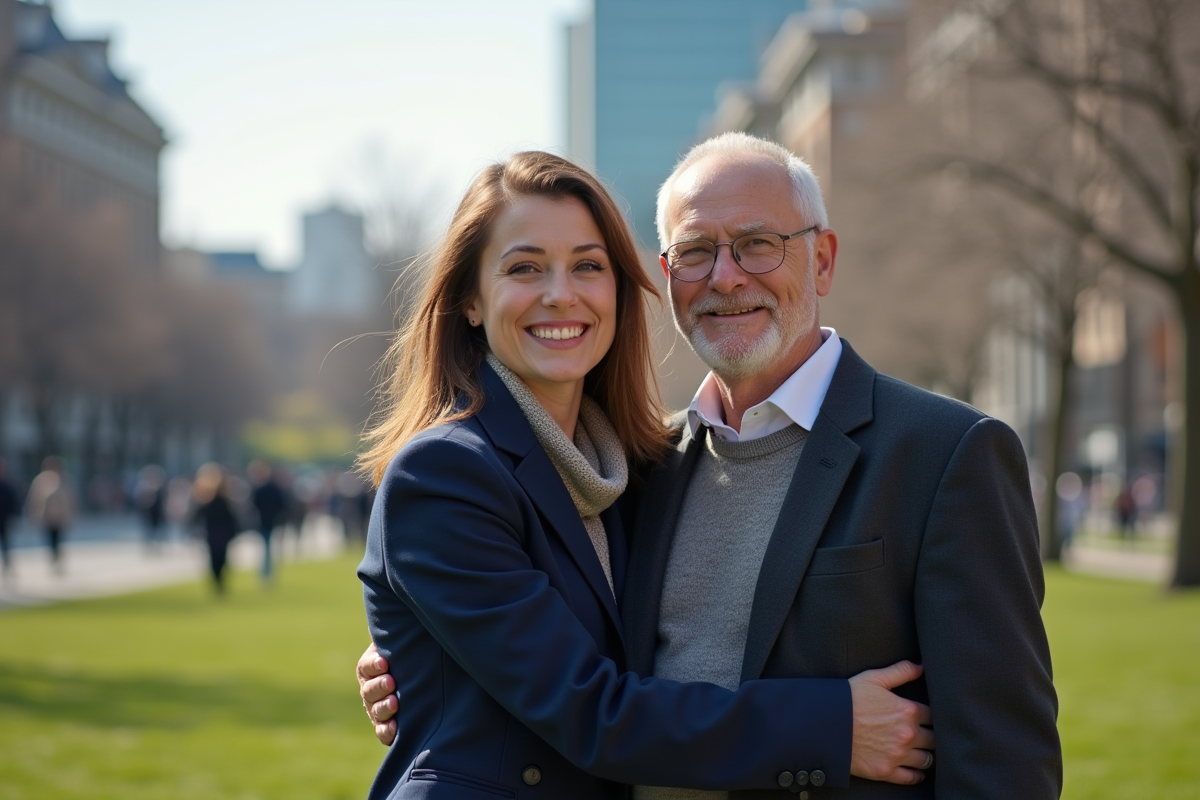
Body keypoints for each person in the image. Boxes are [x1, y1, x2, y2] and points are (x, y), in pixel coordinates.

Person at [361, 135, 1062, 798]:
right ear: (667, 277)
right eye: (695, 252)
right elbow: (582, 694)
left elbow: (1002, 759)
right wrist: (427, 659)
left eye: (758, 244)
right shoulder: (651, 465)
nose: (726, 278)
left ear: (821, 260)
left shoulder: (946, 455)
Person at [191, 463, 239, 594]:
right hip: (216, 533)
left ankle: (219, 582)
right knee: (217, 559)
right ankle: (218, 583)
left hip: (218, 533)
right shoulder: (211, 502)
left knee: (219, 559)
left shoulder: (222, 502)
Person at [25, 456, 76, 574]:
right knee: (50, 539)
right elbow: (35, 499)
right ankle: (54, 559)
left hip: (61, 516)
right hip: (47, 516)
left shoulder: (65, 480)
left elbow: (71, 499)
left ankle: (58, 559)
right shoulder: (41, 480)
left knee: (59, 539)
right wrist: (33, 514)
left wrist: (71, 514)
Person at [248, 460, 287, 580]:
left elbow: (253, 507)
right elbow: (282, 505)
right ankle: (268, 572)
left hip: (265, 522)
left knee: (266, 548)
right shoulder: (273, 488)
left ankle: (266, 572)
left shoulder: (260, 489)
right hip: (271, 522)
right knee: (268, 548)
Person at [133, 464, 168, 553]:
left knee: (158, 530)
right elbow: (138, 501)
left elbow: (164, 501)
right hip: (148, 514)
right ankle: (150, 546)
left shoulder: (160, 487)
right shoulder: (143, 488)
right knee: (148, 530)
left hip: (158, 514)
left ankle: (157, 546)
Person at [0, 458, 19, 576]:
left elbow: (13, 503)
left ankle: (7, 565)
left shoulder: (7, 485)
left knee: (6, 543)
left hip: (4, 519)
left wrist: (14, 516)